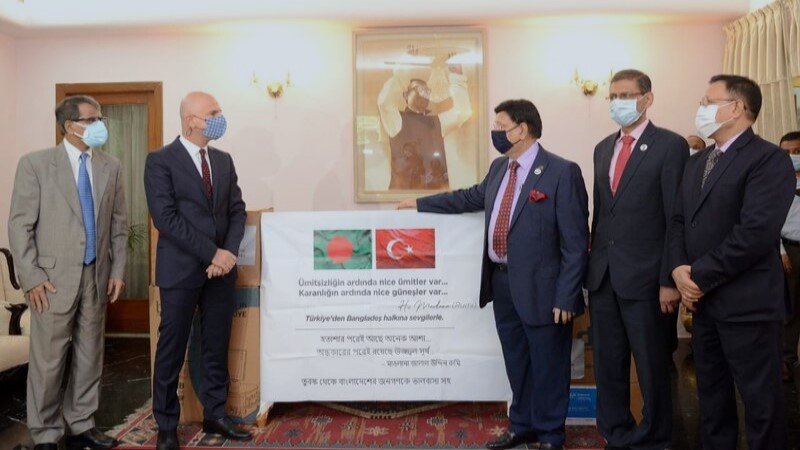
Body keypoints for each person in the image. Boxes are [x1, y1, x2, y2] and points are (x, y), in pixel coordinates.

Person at [399, 99, 589, 450]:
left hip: (544, 290)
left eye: (501, 126)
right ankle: (522, 425)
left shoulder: (562, 172)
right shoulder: (501, 167)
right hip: (501, 283)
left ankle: (550, 434)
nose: (496, 132)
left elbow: (576, 243)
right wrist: (421, 203)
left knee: (548, 363)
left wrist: (567, 295)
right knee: (516, 361)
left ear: (522, 129)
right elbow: (469, 198)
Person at [669, 75, 794, 450]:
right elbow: (679, 221)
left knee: (761, 404)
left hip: (748, 306)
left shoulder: (768, 159)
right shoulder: (697, 162)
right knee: (712, 400)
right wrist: (677, 269)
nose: (701, 109)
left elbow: (755, 233)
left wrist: (697, 275)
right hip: (704, 305)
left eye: (708, 102)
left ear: (737, 107)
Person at [8, 95, 127, 450]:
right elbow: (19, 226)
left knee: (90, 356)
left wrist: (117, 270)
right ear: (69, 126)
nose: (99, 125)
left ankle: (81, 425)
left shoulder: (111, 166)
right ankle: (45, 433)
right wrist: (32, 277)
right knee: (48, 362)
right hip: (51, 282)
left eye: (100, 119)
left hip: (96, 276)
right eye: (91, 120)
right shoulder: (36, 165)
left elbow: (119, 224)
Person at [585, 69, 687, 450]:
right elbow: (601, 214)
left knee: (651, 366)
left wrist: (669, 279)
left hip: (648, 279)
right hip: (603, 278)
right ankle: (616, 433)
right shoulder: (602, 148)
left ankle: (656, 438)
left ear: (647, 98)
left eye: (626, 95)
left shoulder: (670, 146)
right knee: (608, 365)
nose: (618, 102)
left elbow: (675, 217)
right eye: (613, 96)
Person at [145, 92, 249, 450]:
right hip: (181, 270)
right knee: (172, 348)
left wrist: (228, 253)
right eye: (212, 113)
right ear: (191, 121)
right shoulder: (160, 161)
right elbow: (166, 219)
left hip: (221, 272)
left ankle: (215, 414)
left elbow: (237, 210)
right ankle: (167, 425)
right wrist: (212, 253)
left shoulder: (223, 160)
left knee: (216, 344)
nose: (220, 117)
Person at [378, 58, 472, 190]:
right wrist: (400, 70)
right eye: (418, 89)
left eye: (427, 91)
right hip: (403, 195)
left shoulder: (437, 122)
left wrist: (457, 78)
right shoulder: (396, 120)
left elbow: (462, 112)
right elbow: (384, 103)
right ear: (405, 95)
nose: (424, 94)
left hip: (434, 195)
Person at [779, 130, 800, 382]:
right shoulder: (775, 181)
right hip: (789, 250)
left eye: (797, 151)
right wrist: (781, 251)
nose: (793, 156)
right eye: (787, 153)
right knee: (790, 308)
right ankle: (786, 359)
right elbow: (769, 221)